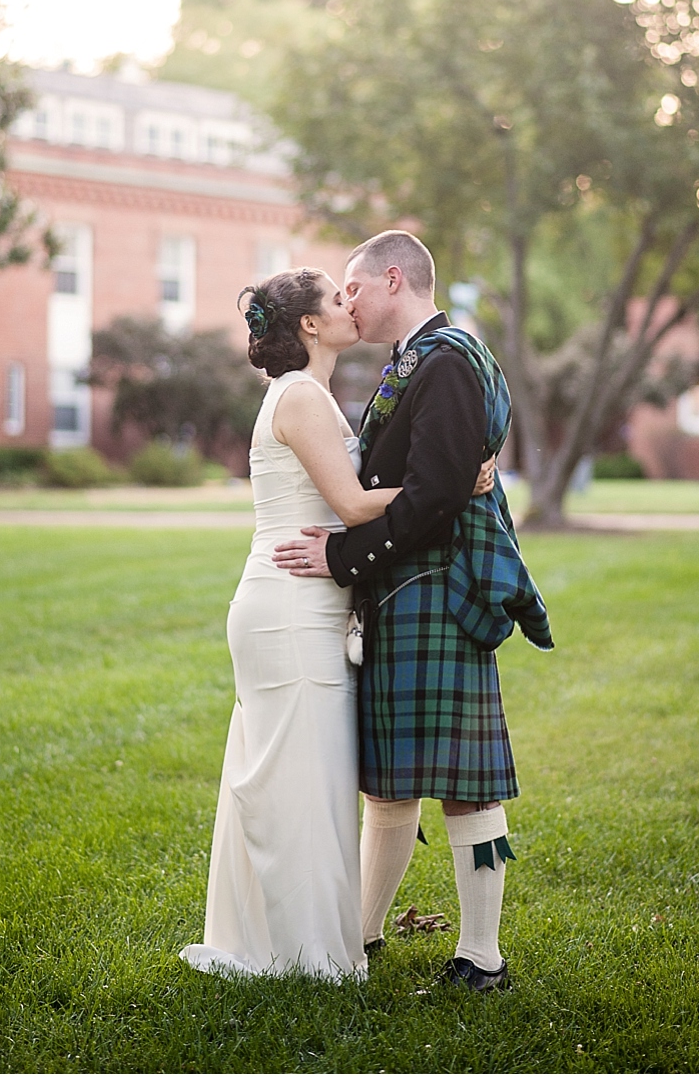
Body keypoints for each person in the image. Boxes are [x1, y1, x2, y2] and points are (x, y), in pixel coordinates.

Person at [179, 265, 495, 979]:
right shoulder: (300, 397)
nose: (349, 303)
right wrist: (450, 483)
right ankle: (304, 954)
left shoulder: (309, 394)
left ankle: (302, 940)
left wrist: (442, 480)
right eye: (335, 297)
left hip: (305, 603)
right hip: (289, 608)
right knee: (300, 785)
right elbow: (352, 505)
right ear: (311, 325)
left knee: (308, 779)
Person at [272, 231, 553, 993]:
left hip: (439, 590)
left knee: (466, 782)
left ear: (393, 279)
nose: (347, 302)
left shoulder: (448, 359)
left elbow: (434, 498)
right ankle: (359, 938)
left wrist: (342, 557)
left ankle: (482, 957)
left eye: (355, 288)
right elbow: (431, 477)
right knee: (391, 782)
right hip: (408, 591)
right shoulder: (421, 359)